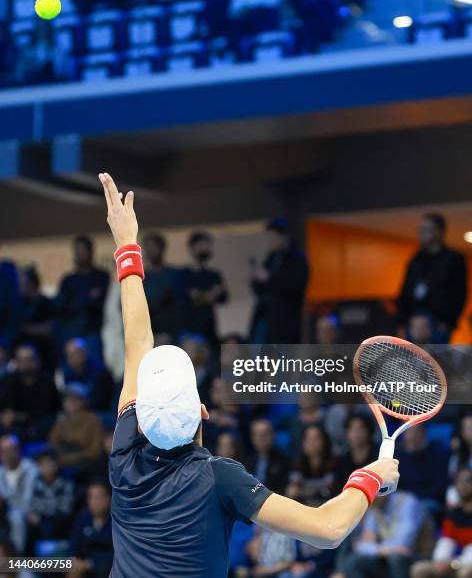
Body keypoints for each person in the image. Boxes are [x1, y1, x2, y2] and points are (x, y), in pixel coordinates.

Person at [99, 172, 399, 577]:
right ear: (203, 411)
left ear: (139, 417)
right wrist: (371, 476)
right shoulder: (218, 477)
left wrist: (126, 244)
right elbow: (328, 528)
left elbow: (137, 342)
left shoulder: (123, 456)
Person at [397, 213, 467, 341]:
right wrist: (402, 322)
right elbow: (405, 291)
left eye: (427, 229)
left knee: (435, 359)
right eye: (421, 229)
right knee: (410, 359)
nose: (422, 233)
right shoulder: (415, 259)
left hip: (439, 323)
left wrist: (446, 323)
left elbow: (459, 294)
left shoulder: (454, 259)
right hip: (413, 320)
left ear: (440, 232)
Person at [249, 216, 309, 344]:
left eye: (274, 237)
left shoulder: (297, 260)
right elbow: (260, 288)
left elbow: (295, 287)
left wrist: (268, 278)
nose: (271, 241)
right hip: (265, 321)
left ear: (284, 236)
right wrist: (256, 278)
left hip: (285, 325)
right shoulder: (272, 258)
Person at [343, 491, 425, 578]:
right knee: (353, 561)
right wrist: (383, 550)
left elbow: (403, 543)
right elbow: (361, 546)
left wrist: (377, 548)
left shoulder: (407, 502)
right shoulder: (374, 509)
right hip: (386, 556)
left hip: (412, 555)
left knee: (396, 558)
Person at [55, 235, 110, 360]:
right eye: (77, 250)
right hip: (71, 332)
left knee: (96, 370)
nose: (80, 254)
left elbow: (98, 302)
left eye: (83, 250)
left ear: (90, 252)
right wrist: (87, 298)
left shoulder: (101, 276)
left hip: (92, 331)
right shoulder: (68, 280)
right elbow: (61, 306)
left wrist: (77, 301)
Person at [411, 467, 472, 578]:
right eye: (459, 481)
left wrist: (455, 563)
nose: (463, 485)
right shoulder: (453, 514)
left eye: (468, 480)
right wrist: (441, 561)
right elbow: (446, 541)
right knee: (419, 569)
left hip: (463, 563)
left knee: (465, 572)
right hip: (454, 563)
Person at [0, 344, 59, 442]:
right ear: (16, 362)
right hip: (10, 428)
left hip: (37, 429)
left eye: (29, 359)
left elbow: (42, 413)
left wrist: (15, 416)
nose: (26, 363)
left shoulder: (47, 382)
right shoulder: (8, 380)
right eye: (21, 360)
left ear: (38, 360)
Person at [180, 231, 229, 345]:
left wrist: (203, 295)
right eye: (202, 245)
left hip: (211, 332)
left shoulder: (214, 275)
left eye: (208, 245)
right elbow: (192, 299)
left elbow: (224, 297)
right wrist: (212, 294)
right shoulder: (183, 275)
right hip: (190, 332)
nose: (206, 248)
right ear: (192, 247)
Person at [48, 384, 105, 479]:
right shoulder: (62, 420)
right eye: (67, 399)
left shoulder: (94, 420)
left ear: (83, 401)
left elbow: (95, 450)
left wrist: (74, 457)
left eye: (75, 399)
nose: (70, 402)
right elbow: (53, 443)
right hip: (63, 459)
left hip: (85, 463)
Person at [396, 424, 449, 519]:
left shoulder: (437, 452)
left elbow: (439, 488)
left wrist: (413, 500)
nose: (412, 436)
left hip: (427, 501)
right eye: (408, 432)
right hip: (403, 501)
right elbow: (395, 486)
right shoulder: (398, 454)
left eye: (415, 431)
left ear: (424, 432)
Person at [27, 450, 74, 548]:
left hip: (59, 521)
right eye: (42, 464)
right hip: (41, 521)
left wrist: (43, 517)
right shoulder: (36, 484)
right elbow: (33, 506)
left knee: (53, 525)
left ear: (57, 465)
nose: (46, 467)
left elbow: (65, 509)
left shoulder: (66, 483)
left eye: (49, 463)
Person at [0, 435, 38, 553]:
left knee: (15, 517)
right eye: (3, 451)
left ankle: (16, 559)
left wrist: (8, 501)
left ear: (18, 450)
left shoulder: (31, 469)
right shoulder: (0, 472)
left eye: (10, 450)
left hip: (28, 512)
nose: (7, 454)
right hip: (4, 512)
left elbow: (27, 499)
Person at [69, 481, 113, 578]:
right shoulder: (82, 518)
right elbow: (74, 545)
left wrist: (89, 564)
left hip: (105, 567)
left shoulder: (117, 522)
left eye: (99, 497)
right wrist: (73, 561)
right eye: (91, 497)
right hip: (81, 566)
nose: (95, 501)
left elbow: (115, 554)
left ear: (109, 498)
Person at [142, 233, 181, 342]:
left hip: (172, 330)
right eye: (148, 247)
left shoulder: (174, 274)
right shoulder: (140, 277)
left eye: (155, 246)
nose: (152, 250)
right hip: (147, 332)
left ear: (162, 248)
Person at [57, 338, 114, 411]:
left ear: (85, 352)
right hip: (72, 413)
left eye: (77, 353)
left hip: (96, 412)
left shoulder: (100, 371)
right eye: (70, 355)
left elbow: (101, 400)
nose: (74, 357)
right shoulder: (63, 373)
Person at [288, 424, 336, 506]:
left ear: (324, 441)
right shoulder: (297, 464)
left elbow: (330, 492)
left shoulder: (333, 464)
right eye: (308, 439)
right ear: (303, 443)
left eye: (316, 438)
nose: (312, 442)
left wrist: (304, 491)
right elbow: (292, 491)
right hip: (303, 509)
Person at [18, 266, 55, 369]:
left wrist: (26, 329)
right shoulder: (20, 304)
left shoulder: (47, 303)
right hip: (23, 358)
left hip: (45, 354)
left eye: (23, 283)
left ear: (32, 284)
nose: (20, 286)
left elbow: (50, 328)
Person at [334, 414, 378, 494]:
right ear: (347, 433)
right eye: (352, 429)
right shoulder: (342, 461)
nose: (356, 433)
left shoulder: (379, 458)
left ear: (369, 431)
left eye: (361, 428)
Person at [246, 419, 290, 495]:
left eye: (265, 434)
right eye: (258, 435)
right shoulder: (245, 462)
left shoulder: (284, 461)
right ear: (252, 438)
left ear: (273, 435)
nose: (261, 438)